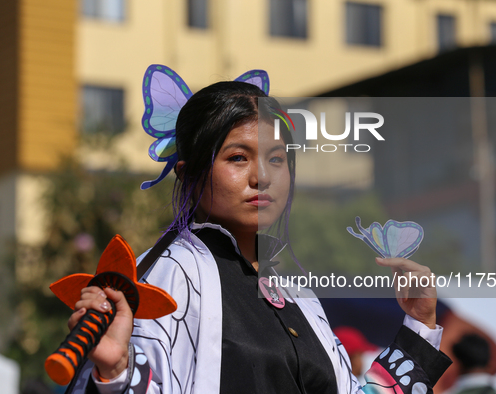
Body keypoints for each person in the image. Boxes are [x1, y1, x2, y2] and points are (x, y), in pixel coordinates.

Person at [64, 66, 451, 394]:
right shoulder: (167, 275)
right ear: (190, 173)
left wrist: (419, 324)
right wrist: (115, 374)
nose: (262, 176)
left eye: (277, 159)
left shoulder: (294, 290)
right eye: (237, 157)